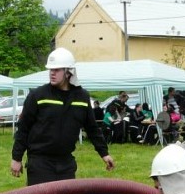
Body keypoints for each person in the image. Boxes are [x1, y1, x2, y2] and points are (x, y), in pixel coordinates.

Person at [10, 48, 115, 185]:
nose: (52, 73)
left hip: (66, 163)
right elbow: (23, 128)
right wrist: (16, 158)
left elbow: (92, 128)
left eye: (57, 70)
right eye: (50, 70)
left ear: (68, 72)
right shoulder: (38, 95)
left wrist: (104, 153)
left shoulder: (82, 97)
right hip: (40, 162)